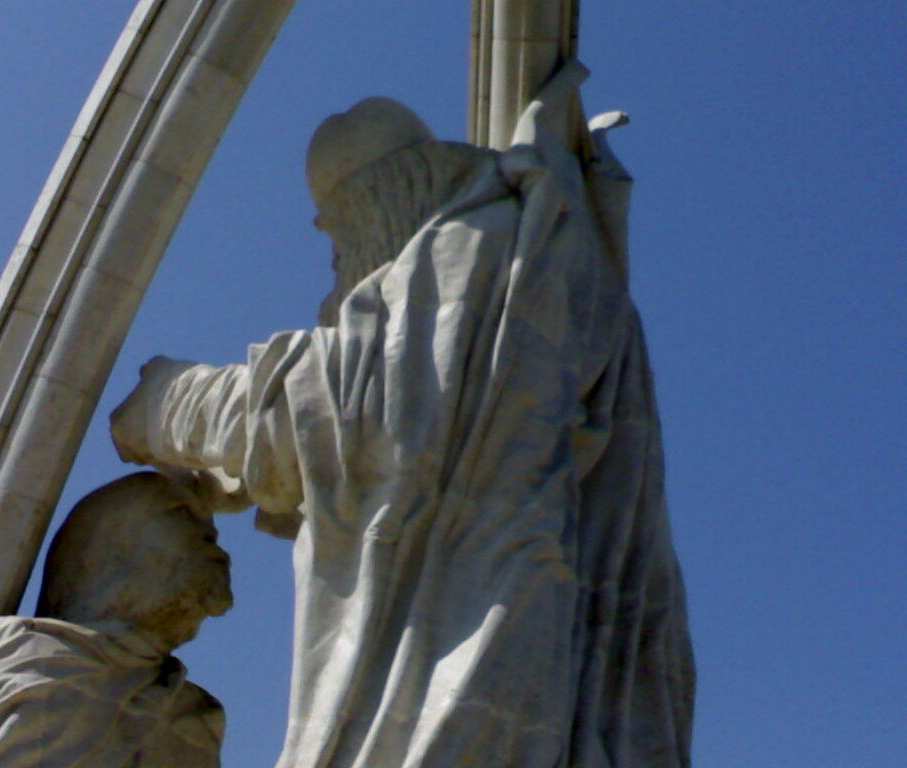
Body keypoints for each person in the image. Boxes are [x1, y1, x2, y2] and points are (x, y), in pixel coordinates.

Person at [112, 62, 694, 767]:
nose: (339, 270)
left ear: (374, 203)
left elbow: (335, 408)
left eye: (339, 239)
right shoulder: (540, 250)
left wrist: (167, 402)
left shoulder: (470, 249)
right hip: (526, 639)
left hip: (468, 651)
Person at [0, 472, 231, 768]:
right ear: (105, 552)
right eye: (180, 513)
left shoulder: (194, 718)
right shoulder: (1, 660)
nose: (211, 537)